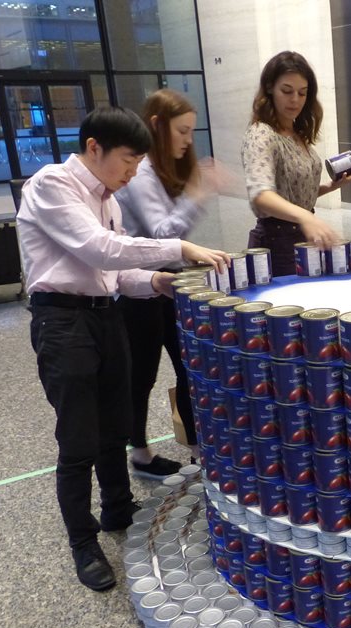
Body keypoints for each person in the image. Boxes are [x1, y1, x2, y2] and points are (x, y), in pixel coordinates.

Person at [17, 106, 228, 591]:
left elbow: (114, 273)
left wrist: (157, 282)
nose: (133, 173)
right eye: (129, 161)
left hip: (105, 314)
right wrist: (178, 250)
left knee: (115, 424)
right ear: (95, 148)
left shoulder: (107, 200)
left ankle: (117, 508)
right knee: (78, 441)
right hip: (62, 321)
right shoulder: (52, 185)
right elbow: (99, 250)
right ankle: (83, 542)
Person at [116, 89, 230, 478]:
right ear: (157, 126)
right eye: (182, 131)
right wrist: (197, 195)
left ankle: (198, 450)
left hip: (170, 283)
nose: (187, 140)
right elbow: (162, 232)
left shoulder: (164, 171)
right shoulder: (143, 174)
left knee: (187, 366)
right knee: (143, 375)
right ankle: (141, 454)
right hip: (140, 288)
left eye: (190, 132)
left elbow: (172, 239)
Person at [242, 50, 351, 277]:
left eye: (302, 93)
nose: (295, 100)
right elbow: (261, 195)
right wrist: (306, 217)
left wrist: (332, 186)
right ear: (269, 87)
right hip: (277, 242)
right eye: (287, 91)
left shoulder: (295, 133)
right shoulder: (261, 134)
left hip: (302, 235)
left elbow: (294, 194)